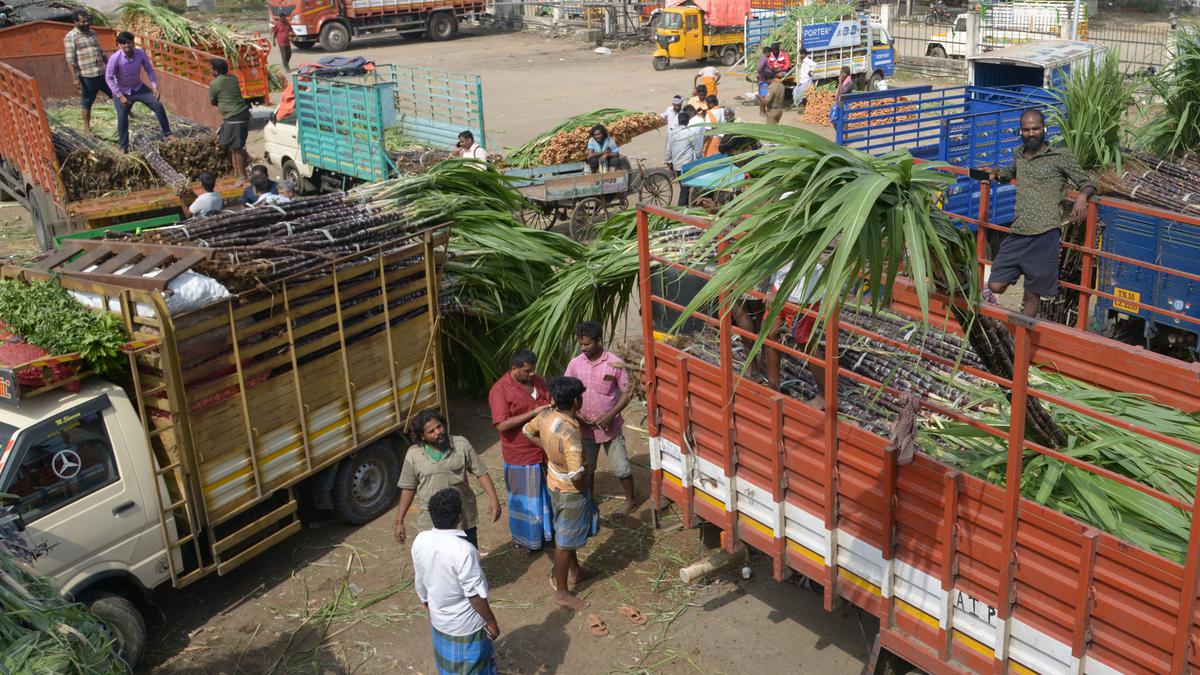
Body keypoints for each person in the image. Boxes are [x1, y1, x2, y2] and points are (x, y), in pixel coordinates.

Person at [986, 108, 1095, 318]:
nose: (1031, 133)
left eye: (1035, 128)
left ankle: (1021, 341)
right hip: (1019, 231)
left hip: (1045, 234)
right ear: (1020, 131)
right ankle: (1020, 274)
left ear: (1044, 128)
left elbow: (1088, 182)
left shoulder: (1060, 156)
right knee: (996, 284)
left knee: (1032, 296)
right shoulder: (1019, 154)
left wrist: (1082, 197)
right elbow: (1013, 171)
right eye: (1026, 129)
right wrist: (997, 173)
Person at [523, 376, 598, 611]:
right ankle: (563, 592)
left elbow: (527, 431)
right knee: (564, 542)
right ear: (577, 401)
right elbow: (577, 474)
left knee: (567, 533)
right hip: (570, 491)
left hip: (553, 481)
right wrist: (586, 486)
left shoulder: (546, 416)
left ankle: (576, 572)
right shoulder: (570, 433)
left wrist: (548, 449)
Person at [411, 488, 500, 675]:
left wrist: (425, 599)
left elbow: (419, 576)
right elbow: (475, 595)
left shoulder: (420, 540)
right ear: (459, 516)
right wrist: (491, 622)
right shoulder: (464, 550)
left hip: (440, 622)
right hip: (467, 628)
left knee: (449, 670)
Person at [394, 409, 502, 549]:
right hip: (430, 522)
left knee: (467, 556)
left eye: (439, 426)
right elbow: (408, 487)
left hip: (462, 518)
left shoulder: (461, 445)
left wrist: (494, 499)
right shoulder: (413, 455)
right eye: (431, 431)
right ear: (422, 436)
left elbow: (480, 473)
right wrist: (399, 521)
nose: (438, 432)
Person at [563, 321, 636, 517]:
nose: (583, 348)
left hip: (610, 429)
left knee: (621, 467)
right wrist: (578, 415)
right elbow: (566, 394)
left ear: (598, 341)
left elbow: (628, 392)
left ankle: (630, 501)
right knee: (588, 469)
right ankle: (590, 502)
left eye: (587, 344)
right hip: (585, 429)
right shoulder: (575, 364)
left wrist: (611, 415)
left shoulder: (614, 363)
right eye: (581, 344)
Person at [487, 349, 554, 555]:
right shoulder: (500, 391)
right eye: (526, 371)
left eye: (533, 370)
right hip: (521, 454)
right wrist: (533, 413)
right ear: (514, 369)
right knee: (524, 501)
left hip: (542, 450)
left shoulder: (537, 382)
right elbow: (502, 425)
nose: (531, 374)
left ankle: (544, 534)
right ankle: (524, 540)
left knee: (544, 496)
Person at [105, 31, 173, 153]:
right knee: (122, 117)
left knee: (157, 105)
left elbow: (149, 70)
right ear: (119, 45)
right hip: (122, 91)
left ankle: (167, 134)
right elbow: (109, 78)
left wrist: (154, 86)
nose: (127, 45)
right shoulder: (115, 59)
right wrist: (120, 95)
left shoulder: (140, 54)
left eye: (129, 42)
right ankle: (123, 146)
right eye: (123, 43)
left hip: (138, 87)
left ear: (133, 43)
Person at [64, 9, 111, 138]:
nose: (86, 24)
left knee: (116, 94)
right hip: (87, 76)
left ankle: (130, 115)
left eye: (87, 21)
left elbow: (99, 50)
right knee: (87, 102)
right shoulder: (71, 37)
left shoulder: (93, 33)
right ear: (75, 22)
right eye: (83, 22)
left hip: (102, 73)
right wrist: (75, 79)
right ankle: (86, 128)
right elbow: (70, 60)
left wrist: (109, 63)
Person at [209, 58, 250, 186]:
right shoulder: (233, 78)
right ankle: (246, 160)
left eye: (211, 69)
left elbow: (213, 101)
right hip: (242, 113)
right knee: (227, 142)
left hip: (234, 116)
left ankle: (243, 176)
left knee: (236, 146)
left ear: (215, 71)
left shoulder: (215, 83)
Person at [666, 111, 703, 207]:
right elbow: (698, 151)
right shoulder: (690, 133)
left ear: (678, 121)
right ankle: (681, 208)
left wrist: (668, 162)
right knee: (685, 188)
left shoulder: (672, 133)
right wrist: (699, 161)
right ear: (687, 121)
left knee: (683, 187)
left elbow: (668, 149)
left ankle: (685, 206)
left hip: (676, 165)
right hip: (687, 165)